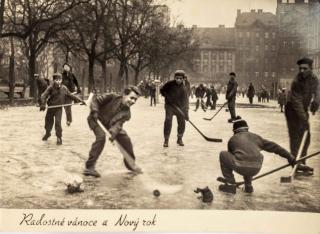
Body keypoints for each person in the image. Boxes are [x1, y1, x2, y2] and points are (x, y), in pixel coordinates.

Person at [217, 119, 296, 194]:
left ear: (234, 130)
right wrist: (289, 156)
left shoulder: (232, 139)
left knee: (224, 155)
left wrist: (230, 178)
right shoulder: (256, 137)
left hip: (240, 165)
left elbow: (231, 161)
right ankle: (248, 185)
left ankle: (230, 185)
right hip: (256, 167)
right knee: (251, 155)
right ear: (247, 129)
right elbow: (274, 147)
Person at [84, 86, 142, 177]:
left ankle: (131, 164)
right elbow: (95, 101)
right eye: (132, 98)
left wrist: (113, 133)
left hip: (109, 125)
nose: (133, 101)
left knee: (126, 139)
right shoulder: (111, 97)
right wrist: (95, 111)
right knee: (101, 137)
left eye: (135, 100)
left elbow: (118, 125)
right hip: (96, 119)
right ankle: (89, 167)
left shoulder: (127, 113)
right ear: (124, 95)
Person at [285, 57, 320, 173]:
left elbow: (318, 93)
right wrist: (304, 118)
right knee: (295, 137)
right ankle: (295, 162)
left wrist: (315, 104)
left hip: (302, 109)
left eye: (305, 68)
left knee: (306, 136)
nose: (302, 71)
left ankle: (302, 161)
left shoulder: (314, 78)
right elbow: (297, 102)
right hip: (292, 109)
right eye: (300, 68)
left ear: (310, 69)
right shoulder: (296, 81)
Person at [40, 73, 85, 145]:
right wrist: (43, 104)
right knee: (48, 123)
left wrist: (81, 101)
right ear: (54, 80)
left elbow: (71, 95)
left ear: (61, 80)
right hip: (51, 108)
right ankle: (48, 133)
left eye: (60, 80)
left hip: (58, 108)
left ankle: (59, 137)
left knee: (58, 123)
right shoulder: (50, 87)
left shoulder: (64, 88)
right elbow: (43, 95)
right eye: (56, 80)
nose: (58, 82)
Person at [160, 70, 189, 147]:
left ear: (183, 79)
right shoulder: (169, 84)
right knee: (168, 120)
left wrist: (186, 113)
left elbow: (186, 101)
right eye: (177, 78)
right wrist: (167, 96)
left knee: (182, 122)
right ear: (174, 78)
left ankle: (179, 138)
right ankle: (166, 139)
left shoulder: (184, 88)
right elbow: (162, 90)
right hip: (169, 106)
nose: (178, 80)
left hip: (179, 107)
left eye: (180, 78)